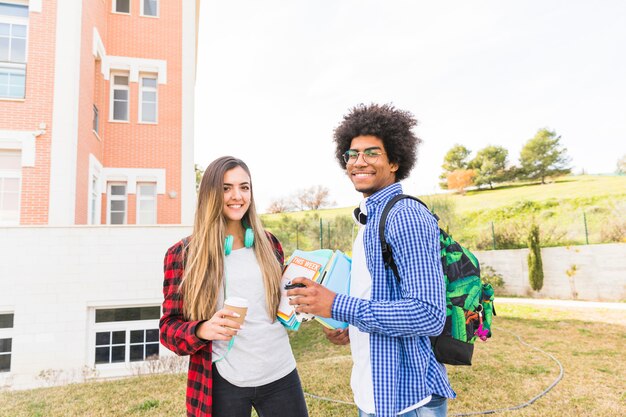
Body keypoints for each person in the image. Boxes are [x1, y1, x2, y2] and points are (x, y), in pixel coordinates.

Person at [287, 104, 455, 417]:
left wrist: (337, 305)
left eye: (372, 153)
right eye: (352, 154)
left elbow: (428, 313)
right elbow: (380, 297)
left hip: (409, 400)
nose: (358, 162)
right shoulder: (370, 219)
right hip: (377, 392)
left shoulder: (405, 216)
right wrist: (349, 324)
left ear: (394, 161)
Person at [160, 156, 309, 417]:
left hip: (280, 371)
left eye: (244, 187)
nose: (237, 196)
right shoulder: (183, 255)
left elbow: (281, 307)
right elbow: (168, 330)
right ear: (210, 193)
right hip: (223, 379)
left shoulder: (269, 244)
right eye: (226, 188)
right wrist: (203, 329)